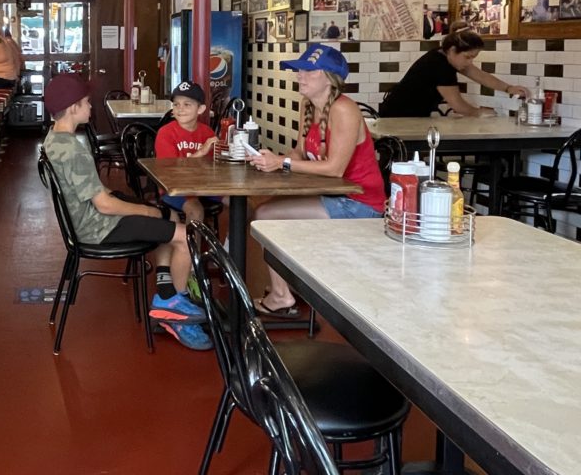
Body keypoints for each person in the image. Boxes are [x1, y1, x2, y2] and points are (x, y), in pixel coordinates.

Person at [42, 74, 211, 350]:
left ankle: (168, 286)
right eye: (86, 102)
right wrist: (144, 212)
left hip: (86, 220)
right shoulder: (73, 150)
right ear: (73, 107)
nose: (90, 106)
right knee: (183, 235)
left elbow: (96, 194)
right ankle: (172, 312)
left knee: (167, 214)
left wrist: (148, 210)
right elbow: (104, 205)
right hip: (98, 227)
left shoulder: (55, 139)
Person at [248, 44, 387, 317]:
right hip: (332, 194)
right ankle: (291, 284)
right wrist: (273, 160)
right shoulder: (309, 106)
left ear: (329, 77)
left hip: (359, 202)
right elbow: (300, 152)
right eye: (299, 70)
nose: (300, 75)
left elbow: (335, 169)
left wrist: (283, 163)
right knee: (269, 206)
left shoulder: (344, 109)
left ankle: (281, 295)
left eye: (309, 71)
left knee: (265, 215)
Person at [379, 22, 527, 117]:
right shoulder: (440, 66)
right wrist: (479, 112)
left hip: (409, 115)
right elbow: (457, 104)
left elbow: (481, 76)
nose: (470, 61)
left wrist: (509, 88)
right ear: (453, 50)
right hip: (398, 116)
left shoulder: (445, 56)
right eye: (468, 57)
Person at [154, 82, 221, 224]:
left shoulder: (207, 132)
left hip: (202, 186)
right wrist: (201, 152)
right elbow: (172, 170)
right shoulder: (165, 133)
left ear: (201, 109)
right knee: (196, 211)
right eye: (176, 104)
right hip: (174, 188)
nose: (180, 109)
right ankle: (189, 247)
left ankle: (229, 245)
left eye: (187, 104)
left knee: (245, 205)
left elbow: (213, 166)